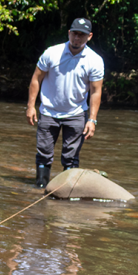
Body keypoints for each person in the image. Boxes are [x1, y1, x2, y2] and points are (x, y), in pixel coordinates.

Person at [26, 17, 104, 188]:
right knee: (44, 154)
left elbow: (96, 91)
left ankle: (66, 192)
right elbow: (36, 79)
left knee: (71, 157)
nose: (77, 38)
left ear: (89, 36)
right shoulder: (52, 53)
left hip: (76, 114)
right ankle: (40, 187)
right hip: (48, 112)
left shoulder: (95, 60)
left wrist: (92, 119)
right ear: (69, 33)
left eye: (81, 35)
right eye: (74, 34)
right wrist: (31, 106)